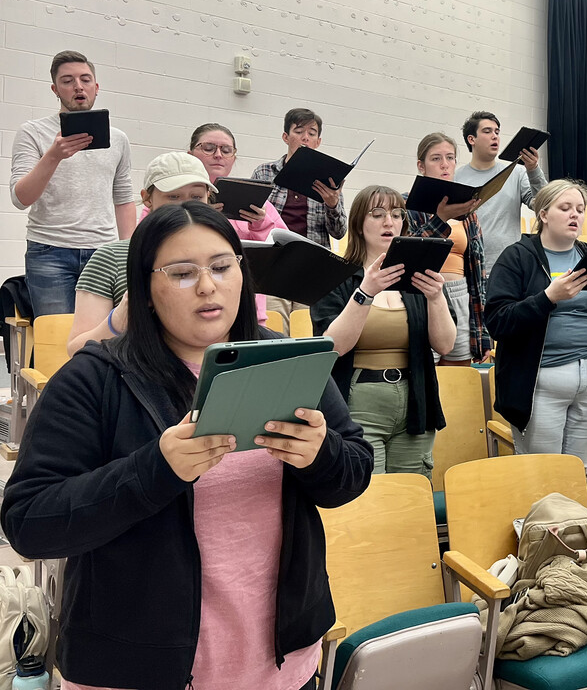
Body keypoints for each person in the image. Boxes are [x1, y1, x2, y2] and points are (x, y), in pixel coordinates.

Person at [0, 202, 374, 690]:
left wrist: (320, 454)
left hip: (280, 660)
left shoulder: (286, 359)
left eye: (222, 267)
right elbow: (30, 524)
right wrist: (156, 468)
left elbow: (353, 472)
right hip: (138, 666)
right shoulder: (93, 379)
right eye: (181, 273)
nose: (207, 286)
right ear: (145, 292)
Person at [485, 179, 587, 468]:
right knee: (543, 472)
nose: (575, 215)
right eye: (565, 208)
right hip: (541, 381)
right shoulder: (518, 257)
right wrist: (547, 298)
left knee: (580, 470)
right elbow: (498, 321)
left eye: (580, 209)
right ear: (543, 214)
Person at [310, 186, 455, 476]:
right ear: (359, 225)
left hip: (415, 400)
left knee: (412, 496)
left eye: (397, 214)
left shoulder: (419, 276)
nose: (389, 222)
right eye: (377, 214)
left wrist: (436, 298)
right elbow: (334, 346)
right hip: (358, 400)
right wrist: (365, 292)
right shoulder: (335, 277)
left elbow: (445, 345)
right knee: (369, 498)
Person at [9, 50, 136, 315]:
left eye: (85, 79)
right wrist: (53, 156)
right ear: (55, 89)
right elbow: (20, 198)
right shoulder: (32, 132)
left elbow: (123, 199)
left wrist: (130, 252)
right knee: (56, 338)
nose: (78, 86)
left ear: (96, 87)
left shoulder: (119, 138)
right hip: (49, 251)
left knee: (107, 337)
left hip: (105, 251)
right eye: (67, 81)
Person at [67, 152, 216, 355]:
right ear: (147, 198)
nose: (185, 205)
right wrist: (119, 319)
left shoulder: (221, 254)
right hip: (132, 378)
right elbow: (76, 349)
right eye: (173, 196)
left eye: (197, 197)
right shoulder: (112, 258)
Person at [187, 123, 288, 328]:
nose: (218, 155)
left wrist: (260, 224)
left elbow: (284, 251)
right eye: (208, 148)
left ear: (234, 157)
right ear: (190, 153)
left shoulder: (258, 202)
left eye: (226, 150)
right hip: (190, 309)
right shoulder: (173, 196)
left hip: (247, 313)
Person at [252, 108, 348, 325]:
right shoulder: (265, 173)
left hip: (312, 267)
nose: (306, 137)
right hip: (274, 265)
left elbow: (340, 233)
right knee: (274, 330)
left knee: (310, 331)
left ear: (318, 141)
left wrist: (332, 204)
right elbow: (249, 221)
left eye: (312, 133)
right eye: (299, 131)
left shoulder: (329, 180)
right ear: (286, 137)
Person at [405, 132, 490, 364]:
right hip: (424, 295)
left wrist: (482, 331)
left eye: (450, 158)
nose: (445, 164)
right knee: (426, 370)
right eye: (436, 159)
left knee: (460, 373)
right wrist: (440, 219)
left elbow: (478, 276)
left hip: (461, 294)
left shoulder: (468, 212)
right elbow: (408, 254)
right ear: (421, 166)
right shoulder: (407, 205)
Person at [453, 110, 547, 278]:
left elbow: (544, 205)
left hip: (510, 266)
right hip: (471, 268)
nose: (495, 136)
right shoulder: (456, 177)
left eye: (497, 132)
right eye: (487, 131)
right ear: (471, 139)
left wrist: (533, 170)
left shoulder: (517, 172)